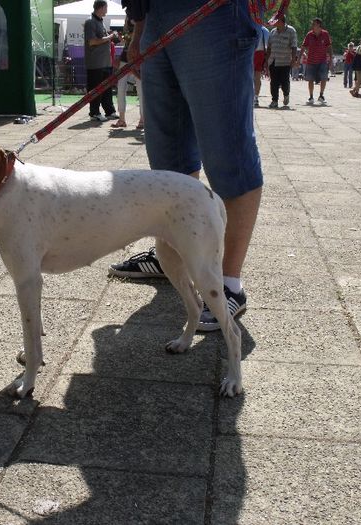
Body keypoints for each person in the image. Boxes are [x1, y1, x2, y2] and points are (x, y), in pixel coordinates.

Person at [110, 0, 264, 332]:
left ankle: (228, 282)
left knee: (228, 153)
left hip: (215, 11)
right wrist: (138, 28)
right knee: (167, 160)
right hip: (153, 14)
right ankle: (173, 260)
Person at [84, 0, 119, 122]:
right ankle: (94, 112)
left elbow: (101, 38)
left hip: (106, 62)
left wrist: (110, 35)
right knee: (95, 88)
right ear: (101, 7)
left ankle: (110, 111)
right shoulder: (90, 22)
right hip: (95, 63)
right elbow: (92, 41)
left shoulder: (100, 22)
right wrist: (109, 37)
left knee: (107, 88)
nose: (107, 10)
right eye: (106, 7)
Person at [111, 17, 143, 129]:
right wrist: (120, 57)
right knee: (120, 88)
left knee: (140, 89)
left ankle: (142, 119)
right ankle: (122, 119)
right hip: (125, 58)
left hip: (139, 57)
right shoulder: (129, 16)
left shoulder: (143, 15)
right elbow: (127, 42)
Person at [265, 13, 298, 108]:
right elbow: (269, 48)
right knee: (273, 82)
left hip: (285, 61)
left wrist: (293, 59)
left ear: (281, 21)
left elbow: (294, 46)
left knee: (284, 81)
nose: (274, 22)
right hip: (273, 61)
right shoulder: (272, 32)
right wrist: (266, 60)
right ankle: (274, 100)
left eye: (275, 20)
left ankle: (286, 94)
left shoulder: (291, 31)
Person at [298, 18, 333, 104]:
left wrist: (331, 59)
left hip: (322, 60)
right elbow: (303, 46)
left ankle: (321, 95)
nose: (312, 25)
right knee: (310, 79)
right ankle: (311, 97)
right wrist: (298, 59)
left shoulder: (325, 34)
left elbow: (329, 47)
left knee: (324, 78)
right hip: (311, 61)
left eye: (314, 24)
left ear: (319, 25)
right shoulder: (309, 34)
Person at [253, 23, 270, 107]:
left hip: (250, 52)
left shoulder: (249, 25)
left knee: (248, 77)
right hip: (260, 53)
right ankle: (255, 97)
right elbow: (268, 46)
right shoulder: (265, 30)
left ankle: (252, 97)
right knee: (257, 76)